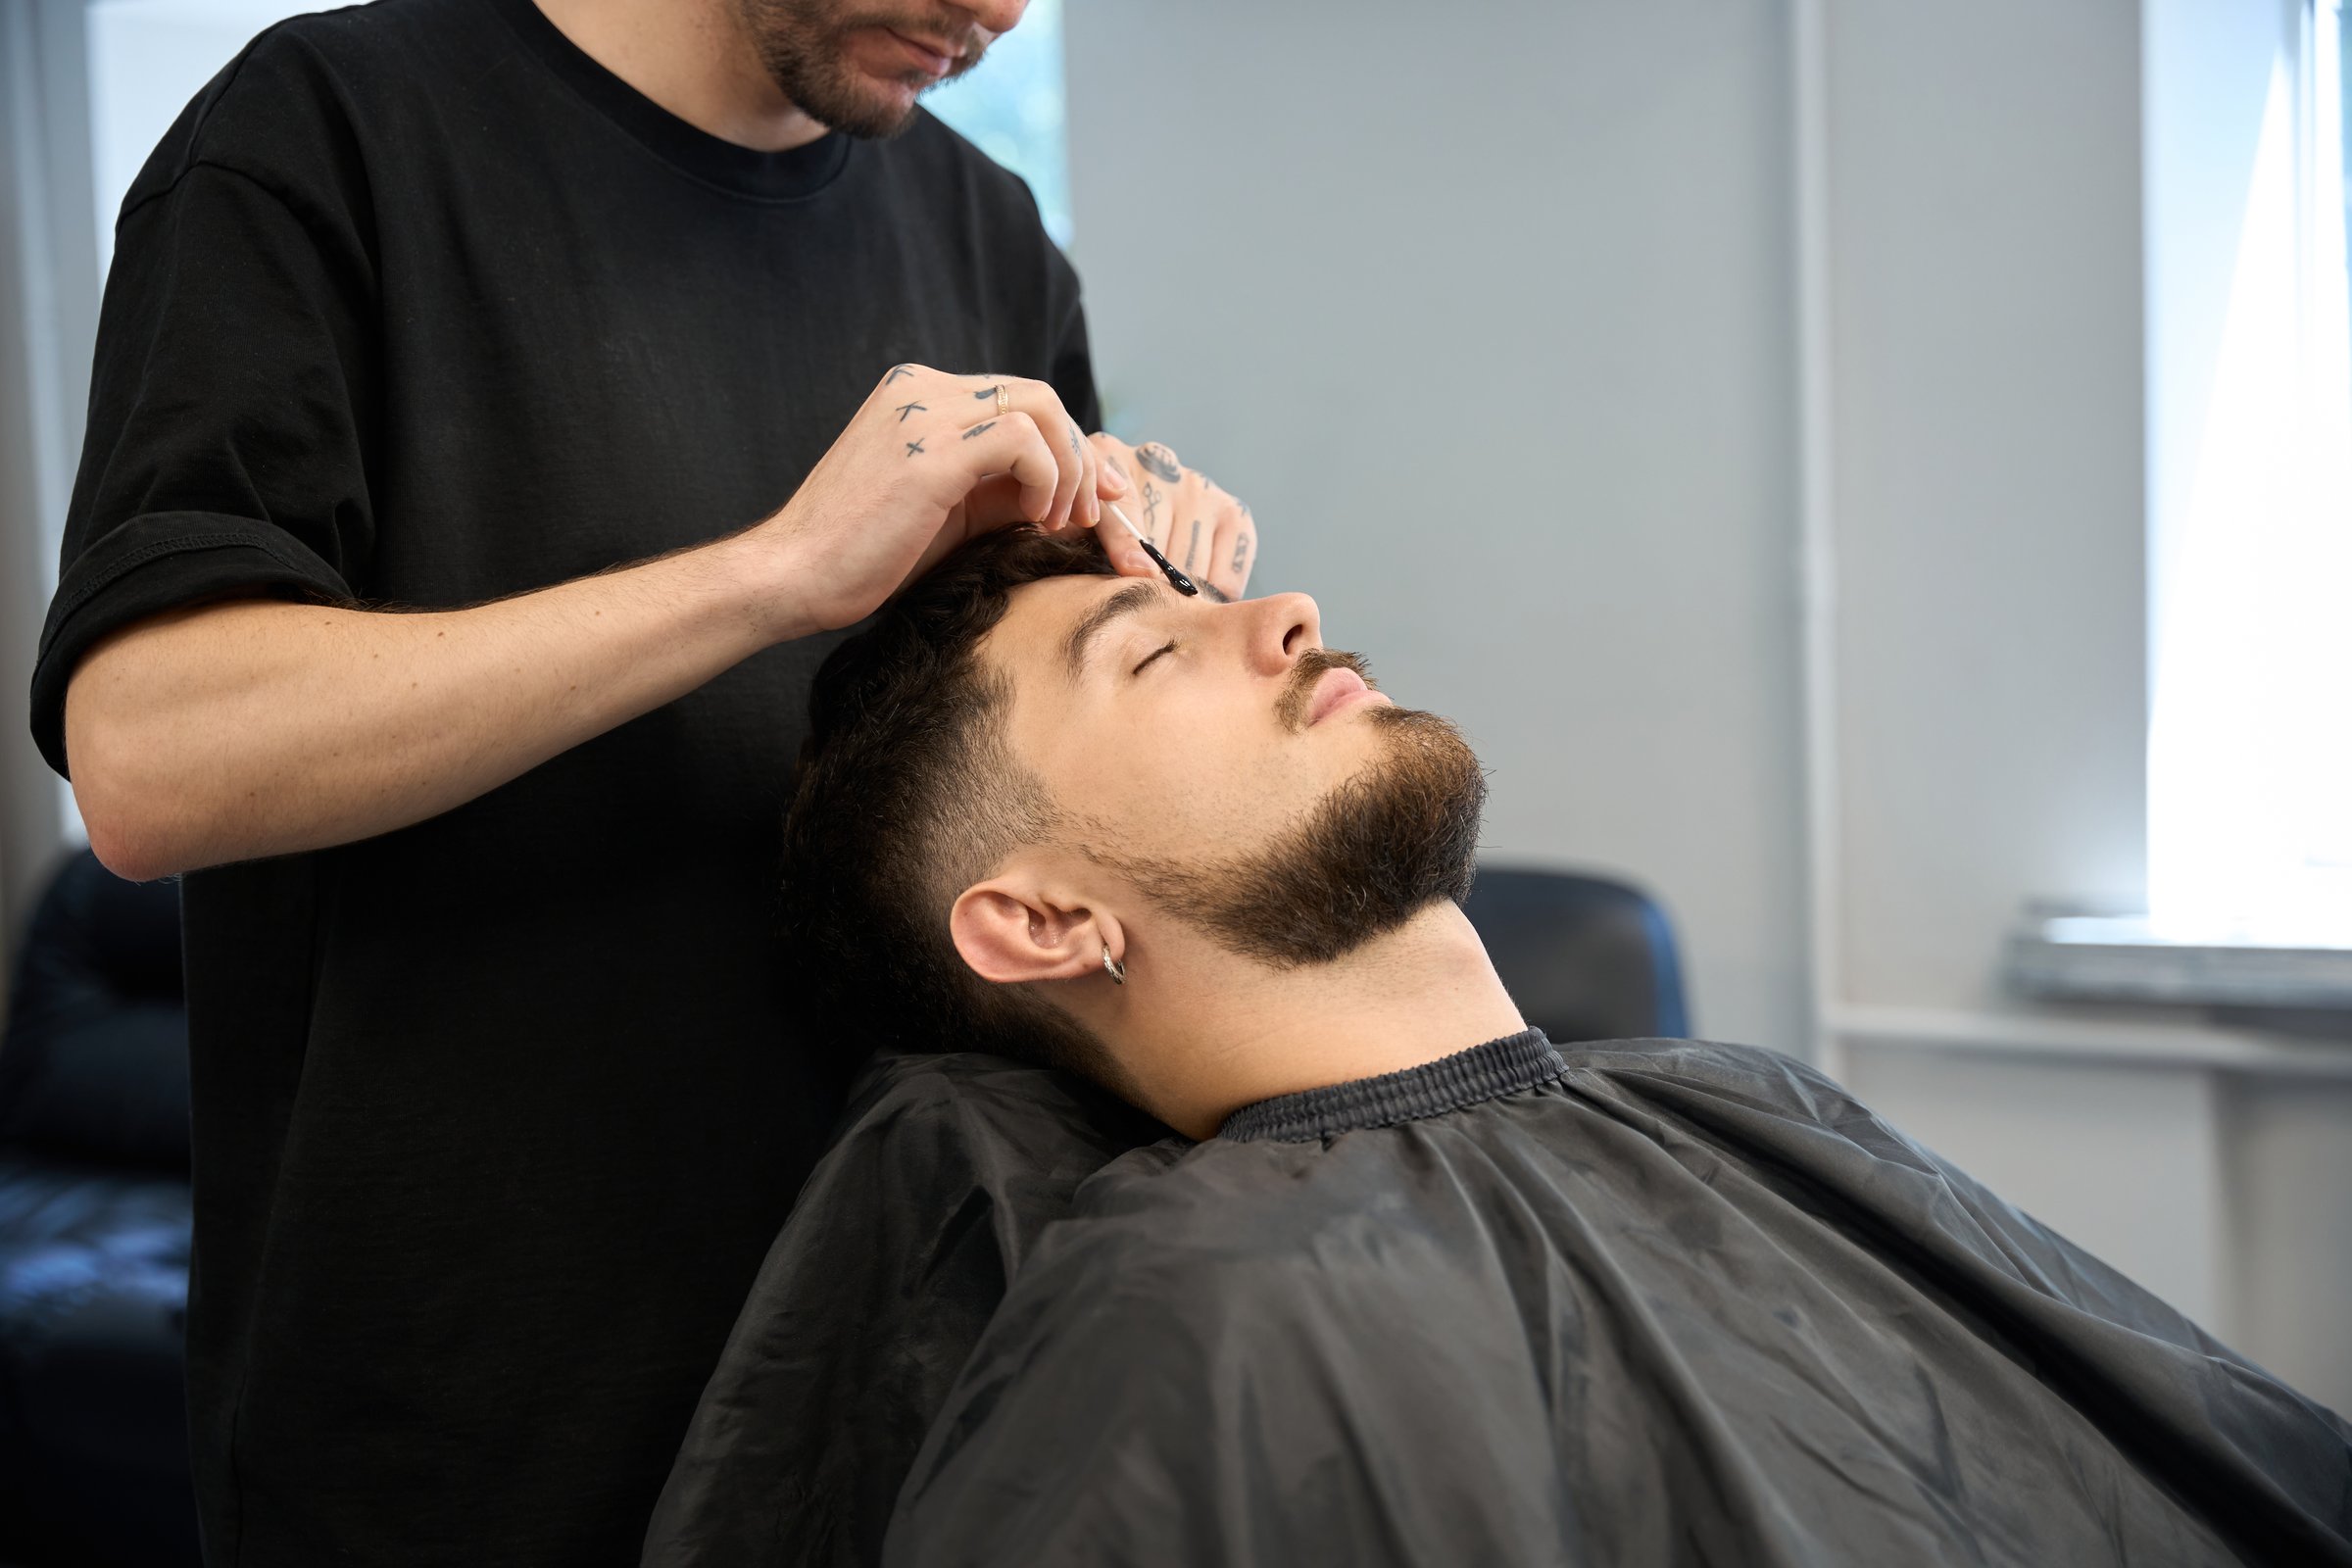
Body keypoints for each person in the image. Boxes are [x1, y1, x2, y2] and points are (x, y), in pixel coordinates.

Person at [27, 0, 1258, 1560]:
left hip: (908, 1403)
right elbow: (147, 758)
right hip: (464, 1439)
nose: (1002, 10)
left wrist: (1148, 604)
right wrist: (772, 576)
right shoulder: (324, 134)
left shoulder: (986, 230)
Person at [739, 526, 2352, 1567]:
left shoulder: (1738, 1102)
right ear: (1040, 923)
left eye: (1213, 598)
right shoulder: (1203, 1332)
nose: (1285, 611)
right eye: (1155, 651)